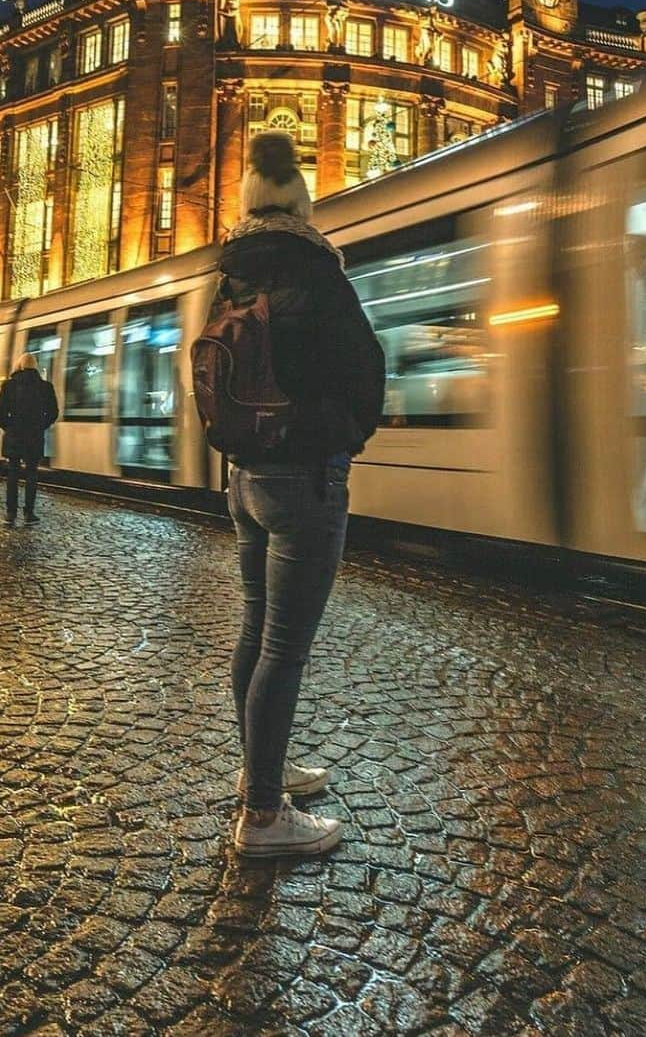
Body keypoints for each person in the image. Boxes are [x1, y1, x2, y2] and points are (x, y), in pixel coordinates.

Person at [217, 130, 385, 857]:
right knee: (285, 649)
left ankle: (265, 765)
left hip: (244, 476)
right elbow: (365, 364)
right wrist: (346, 432)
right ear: (300, 202)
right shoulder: (316, 269)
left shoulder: (234, 273)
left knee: (257, 631)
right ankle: (262, 814)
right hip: (306, 476)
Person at [0, 353, 58, 525]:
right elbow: (53, 412)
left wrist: (8, 427)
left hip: (14, 435)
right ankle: (29, 513)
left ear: (20, 366)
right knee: (32, 474)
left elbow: (0, 411)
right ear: (35, 367)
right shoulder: (45, 387)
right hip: (34, 436)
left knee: (13, 474)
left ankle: (11, 512)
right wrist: (41, 426)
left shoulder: (8, 386)